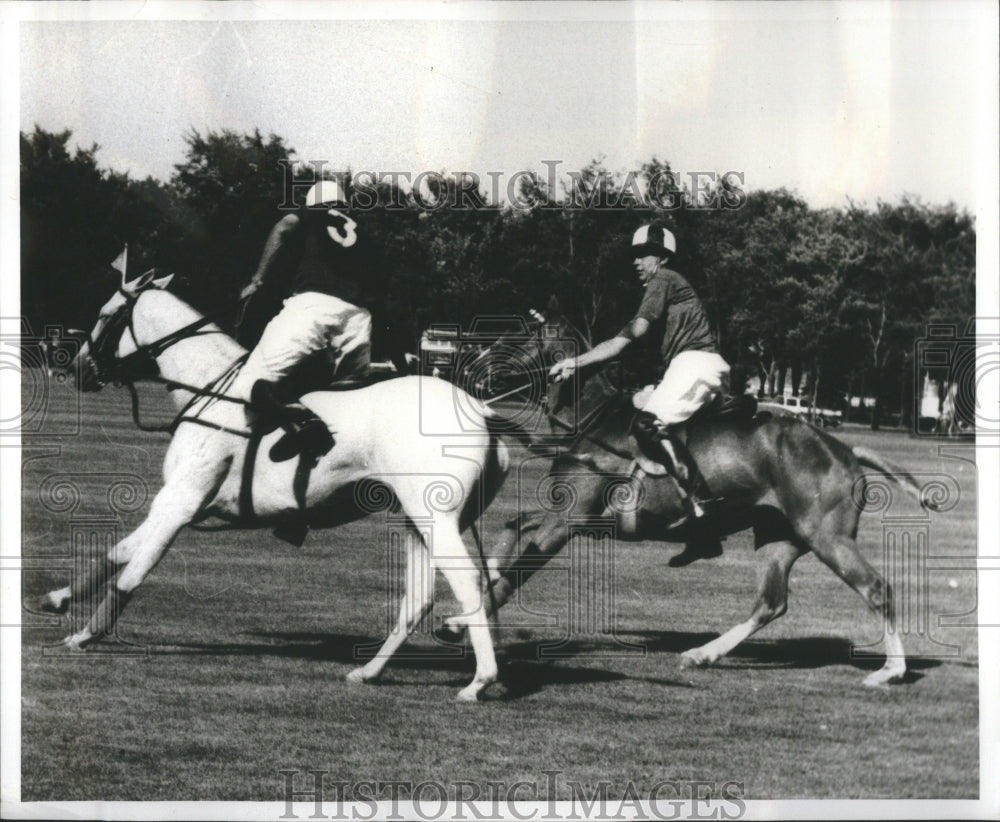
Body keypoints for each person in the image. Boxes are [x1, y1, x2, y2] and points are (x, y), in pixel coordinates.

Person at [548, 224, 730, 565]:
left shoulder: (664, 279)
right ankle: (699, 531)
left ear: (660, 258)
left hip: (697, 363)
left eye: (642, 254)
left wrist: (576, 362)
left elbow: (624, 340)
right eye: (634, 255)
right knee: (648, 415)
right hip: (688, 366)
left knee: (647, 424)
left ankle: (705, 511)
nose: (636, 262)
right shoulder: (668, 286)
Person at [232, 179, 378, 462]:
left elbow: (284, 227)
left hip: (314, 307)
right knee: (341, 398)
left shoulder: (311, 214)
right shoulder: (363, 233)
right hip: (359, 319)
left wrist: (257, 279)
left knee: (249, 381)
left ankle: (306, 425)